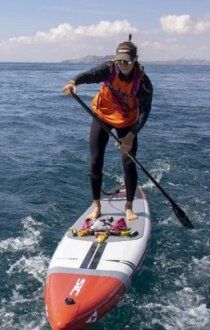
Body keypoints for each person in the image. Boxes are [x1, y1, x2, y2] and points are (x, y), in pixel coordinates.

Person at [62, 34, 153, 221]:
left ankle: (129, 206)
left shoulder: (143, 83)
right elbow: (87, 76)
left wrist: (130, 136)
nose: (123, 65)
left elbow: (144, 113)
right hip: (102, 116)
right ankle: (97, 205)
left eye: (127, 62)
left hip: (127, 123)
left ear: (135, 60)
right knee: (96, 162)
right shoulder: (108, 69)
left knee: (129, 163)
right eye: (119, 61)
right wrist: (73, 83)